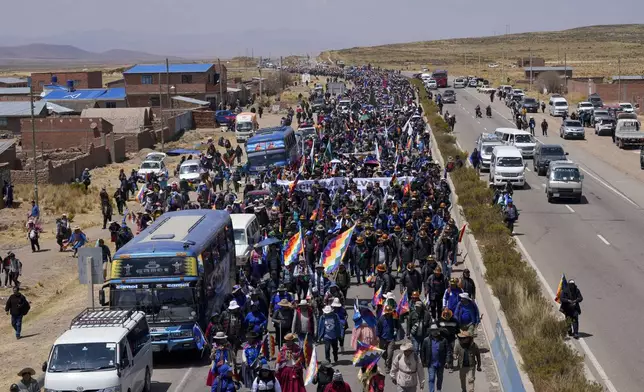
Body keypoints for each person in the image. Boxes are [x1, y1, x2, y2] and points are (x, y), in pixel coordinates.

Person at [421, 324, 448, 392]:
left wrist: (447, 361)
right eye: (433, 330)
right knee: (431, 378)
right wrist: (423, 361)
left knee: (440, 378)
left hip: (440, 363)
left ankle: (439, 390)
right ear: (430, 331)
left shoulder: (443, 340)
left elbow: (448, 351)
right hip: (431, 363)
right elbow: (422, 351)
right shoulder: (426, 340)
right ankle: (431, 390)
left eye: (436, 330)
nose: (434, 332)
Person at [376, 305, 398, 372]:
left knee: (390, 354)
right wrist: (377, 337)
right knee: (383, 353)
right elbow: (378, 328)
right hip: (383, 339)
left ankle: (388, 366)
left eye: (389, 313)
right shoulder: (381, 319)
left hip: (391, 339)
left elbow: (398, 325)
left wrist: (396, 329)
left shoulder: (394, 318)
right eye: (387, 313)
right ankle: (386, 360)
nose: (388, 314)